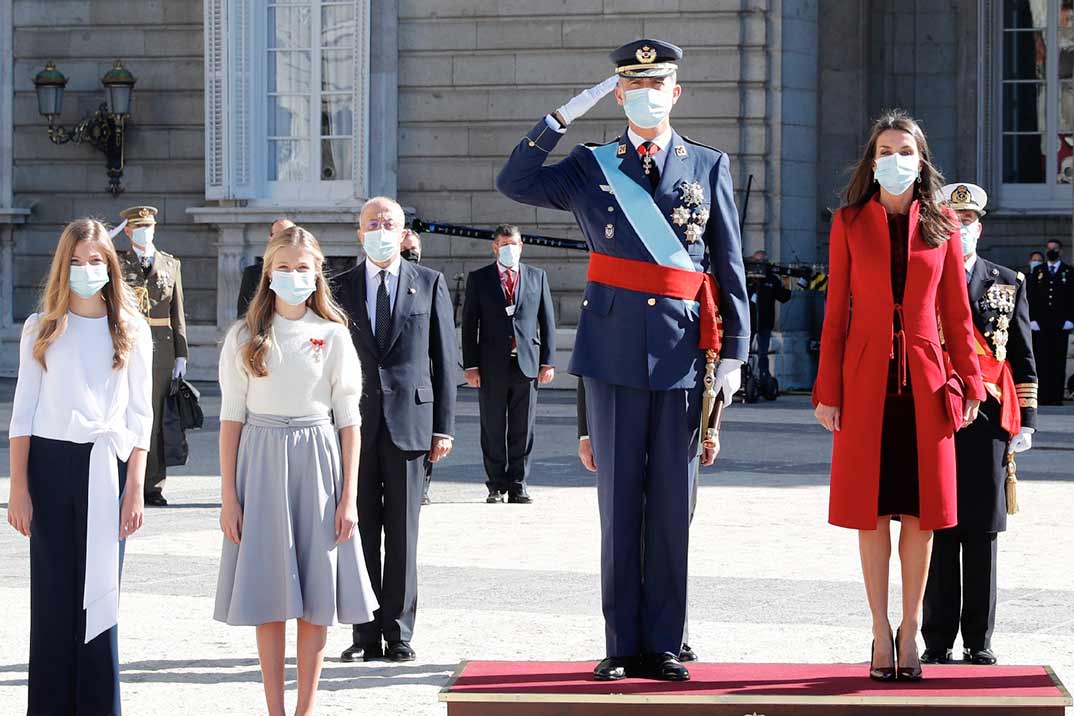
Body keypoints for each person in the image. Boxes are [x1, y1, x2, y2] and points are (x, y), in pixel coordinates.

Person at [497, 39, 749, 682]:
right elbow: (514, 182)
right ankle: (621, 641)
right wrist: (557, 120)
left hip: (682, 350)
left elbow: (728, 263)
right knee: (618, 504)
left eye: (656, 83)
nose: (645, 94)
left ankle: (664, 640)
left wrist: (737, 352)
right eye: (632, 85)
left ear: (676, 92)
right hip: (611, 353)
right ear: (618, 94)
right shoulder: (590, 163)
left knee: (671, 502)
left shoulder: (708, 165)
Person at [813, 111, 984, 681]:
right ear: (872, 159)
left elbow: (957, 316)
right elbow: (835, 313)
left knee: (922, 515)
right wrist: (826, 389)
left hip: (928, 384)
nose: (895, 159)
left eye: (905, 150)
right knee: (871, 512)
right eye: (885, 150)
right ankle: (878, 630)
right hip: (865, 385)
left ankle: (910, 629)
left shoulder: (942, 224)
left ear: (921, 159)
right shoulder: (848, 222)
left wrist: (971, 382)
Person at [214, 226, 377, 716]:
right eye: (282, 267)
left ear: (316, 274)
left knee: (316, 591)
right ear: (267, 273)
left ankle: (305, 709)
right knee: (269, 589)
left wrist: (348, 496)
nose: (292, 275)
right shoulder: (244, 337)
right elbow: (230, 418)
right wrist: (228, 496)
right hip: (260, 463)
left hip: (317, 459)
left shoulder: (332, 335)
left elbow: (349, 419)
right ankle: (275, 710)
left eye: (302, 268)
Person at [7, 218, 153, 715]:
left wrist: (134, 488)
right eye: (75, 261)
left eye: (95, 261)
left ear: (110, 266)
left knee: (100, 597)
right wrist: (18, 488)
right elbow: (23, 413)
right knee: (53, 598)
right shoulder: (42, 328)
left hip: (106, 469)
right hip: (49, 467)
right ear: (62, 265)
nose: (86, 269)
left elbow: (140, 416)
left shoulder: (130, 329)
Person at [334, 197, 458, 663]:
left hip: (411, 423)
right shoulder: (339, 286)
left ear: (404, 233)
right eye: (373, 223)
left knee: (404, 534)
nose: (381, 229)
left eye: (389, 223)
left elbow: (445, 360)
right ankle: (363, 632)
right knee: (358, 527)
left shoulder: (429, 283)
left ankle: (399, 630)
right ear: (359, 232)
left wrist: (443, 427)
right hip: (355, 425)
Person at [920, 184, 1038, 666]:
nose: (962, 227)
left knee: (983, 532)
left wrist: (1026, 419)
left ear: (980, 227)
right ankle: (936, 638)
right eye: (955, 218)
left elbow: (1025, 358)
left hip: (989, 418)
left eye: (969, 220)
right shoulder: (925, 276)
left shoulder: (1007, 280)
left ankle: (978, 639)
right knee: (939, 526)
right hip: (937, 414)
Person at [576, 379, 698, 663]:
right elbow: (590, 339)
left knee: (671, 520)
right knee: (618, 520)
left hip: (680, 367)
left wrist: (732, 357)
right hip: (613, 368)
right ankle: (621, 648)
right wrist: (585, 429)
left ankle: (666, 645)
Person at [462, 224, 557, 504]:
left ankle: (518, 483)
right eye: (503, 243)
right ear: (494, 247)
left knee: (522, 427)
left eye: (513, 243)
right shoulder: (479, 279)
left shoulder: (537, 277)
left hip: (526, 364)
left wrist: (548, 361)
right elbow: (469, 325)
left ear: (521, 246)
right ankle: (495, 484)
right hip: (491, 366)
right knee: (492, 426)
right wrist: (471, 365)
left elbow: (547, 322)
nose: (509, 248)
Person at [117, 205, 188, 507]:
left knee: (156, 417)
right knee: (125, 410)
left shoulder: (171, 264)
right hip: (129, 342)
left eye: (149, 226)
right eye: (138, 227)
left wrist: (181, 356)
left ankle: (153, 485)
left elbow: (178, 313)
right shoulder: (117, 263)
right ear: (128, 231)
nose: (145, 232)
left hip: (162, 347)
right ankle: (124, 479)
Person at [399, 228, 434, 507]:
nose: (410, 255)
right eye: (405, 250)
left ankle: (423, 485)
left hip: (425, 374)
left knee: (426, 436)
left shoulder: (430, 283)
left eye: (413, 250)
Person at [1027, 238, 1074, 405]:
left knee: (1058, 360)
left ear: (1060, 251)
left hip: (1061, 324)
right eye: (1049, 248)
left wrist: (1071, 319)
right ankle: (1043, 395)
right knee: (1042, 359)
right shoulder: (1038, 271)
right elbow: (1031, 297)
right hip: (1041, 324)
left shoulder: (1069, 271)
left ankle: (1056, 396)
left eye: (1055, 249)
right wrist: (1032, 319)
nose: (1051, 251)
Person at [237, 217, 296, 318]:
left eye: (288, 235)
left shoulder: (305, 273)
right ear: (270, 239)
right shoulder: (253, 274)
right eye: (279, 235)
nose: (283, 239)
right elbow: (244, 314)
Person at [747, 249, 791, 379]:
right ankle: (744, 375)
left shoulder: (772, 280)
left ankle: (763, 376)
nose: (758, 265)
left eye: (761, 261)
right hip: (749, 322)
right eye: (756, 261)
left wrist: (787, 283)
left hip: (765, 322)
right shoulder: (747, 279)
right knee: (745, 352)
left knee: (762, 353)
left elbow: (783, 297)